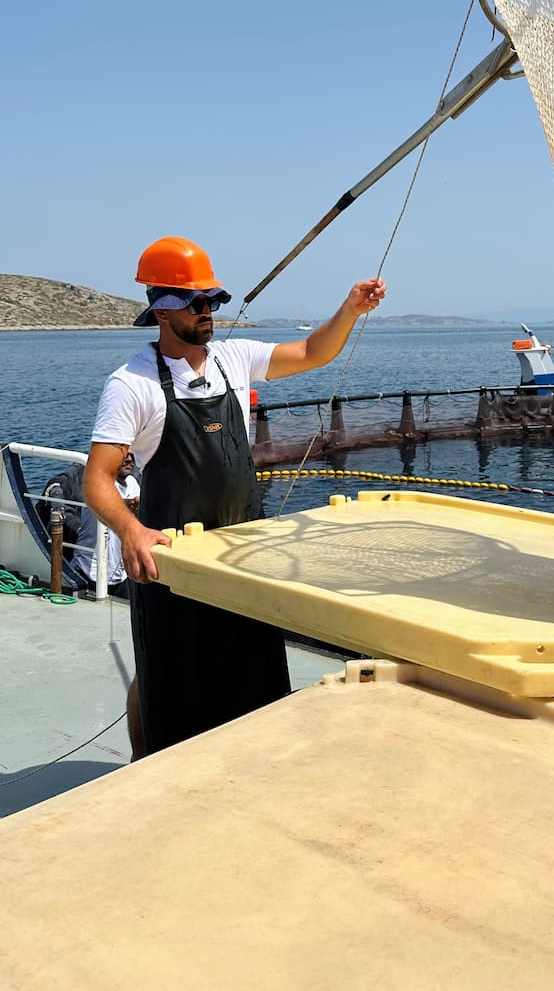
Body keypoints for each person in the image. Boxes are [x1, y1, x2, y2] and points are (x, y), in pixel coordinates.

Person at [83, 235, 385, 758]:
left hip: (244, 558)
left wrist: (350, 310)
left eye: (213, 301)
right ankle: (150, 767)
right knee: (168, 683)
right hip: (173, 565)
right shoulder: (131, 384)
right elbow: (97, 478)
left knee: (253, 678)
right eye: (195, 303)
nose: (208, 312)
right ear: (161, 309)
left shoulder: (233, 359)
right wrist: (130, 530)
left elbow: (314, 351)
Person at [75, 450, 140, 596]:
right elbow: (105, 503)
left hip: (121, 574)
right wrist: (128, 505)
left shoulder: (132, 484)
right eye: (124, 454)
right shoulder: (97, 484)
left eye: (132, 454)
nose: (129, 459)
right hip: (90, 572)